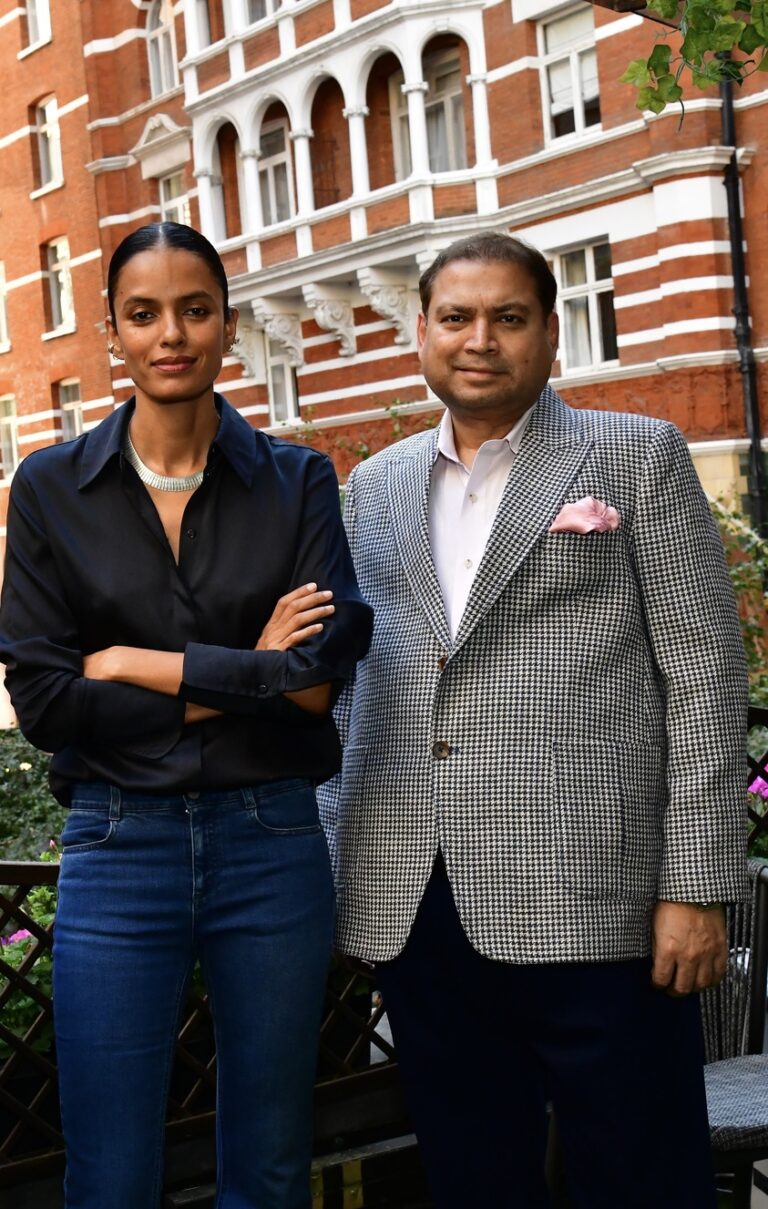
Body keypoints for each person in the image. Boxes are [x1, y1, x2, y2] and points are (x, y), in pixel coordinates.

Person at [318, 232, 748, 1208]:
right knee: (474, 1178)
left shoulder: (637, 455)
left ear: (551, 332)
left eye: (508, 318)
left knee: (641, 1177)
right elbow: (361, 688)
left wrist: (698, 884)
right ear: (421, 331)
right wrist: (346, 852)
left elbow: (703, 676)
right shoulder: (374, 486)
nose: (481, 340)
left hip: (606, 904)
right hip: (423, 904)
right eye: (457, 318)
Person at [0, 221, 372, 1209]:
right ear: (112, 333)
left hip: (272, 840)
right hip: (120, 846)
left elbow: (319, 680)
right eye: (144, 313)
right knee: (110, 1174)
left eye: (195, 309)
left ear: (227, 323)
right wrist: (248, 666)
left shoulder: (296, 481)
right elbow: (44, 704)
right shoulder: (48, 490)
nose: (173, 333)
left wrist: (141, 667)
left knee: (271, 1164)